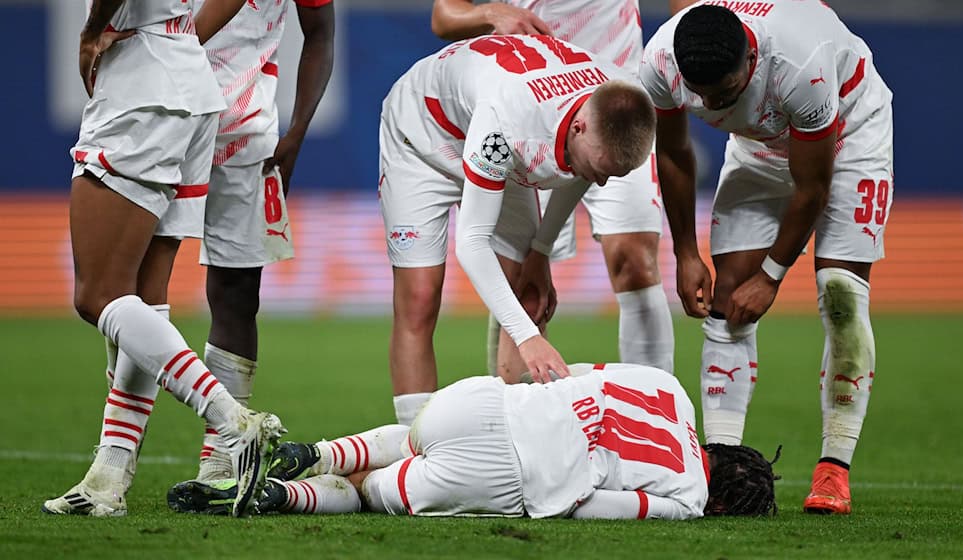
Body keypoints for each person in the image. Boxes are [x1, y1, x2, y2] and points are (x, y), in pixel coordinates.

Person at [640, 2, 893, 514]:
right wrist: (686, 253)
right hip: (759, 146)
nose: (710, 102)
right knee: (727, 296)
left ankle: (833, 469)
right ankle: (723, 465)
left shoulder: (802, 64)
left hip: (847, 136)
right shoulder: (661, 62)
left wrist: (773, 275)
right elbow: (672, 153)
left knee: (840, 293)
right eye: (701, 94)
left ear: (750, 60)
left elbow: (812, 188)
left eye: (723, 92)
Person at [43, 0, 285, 518]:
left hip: (140, 76)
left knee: (96, 297)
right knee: (142, 301)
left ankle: (232, 420)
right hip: (188, 78)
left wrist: (91, 30)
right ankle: (109, 478)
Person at [379, 35, 657, 425]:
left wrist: (540, 251)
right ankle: (411, 445)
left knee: (525, 290)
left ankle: (518, 440)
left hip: (501, 128)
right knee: (420, 297)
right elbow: (472, 243)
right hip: (423, 135)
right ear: (578, 127)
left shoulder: (612, 106)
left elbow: (578, 174)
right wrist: (529, 340)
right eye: (600, 170)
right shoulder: (508, 125)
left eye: (613, 174)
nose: (603, 183)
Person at [167, 363, 779, 518]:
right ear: (723, 498)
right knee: (369, 493)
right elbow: (591, 507)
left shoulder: (670, 386)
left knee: (409, 437)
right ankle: (280, 497)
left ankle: (314, 454)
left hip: (482, 402)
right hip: (508, 476)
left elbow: (574, 378)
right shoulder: (690, 498)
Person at [430, 0, 675, 383]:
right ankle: (515, 423)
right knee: (522, 280)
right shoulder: (512, 118)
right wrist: (488, 14)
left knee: (635, 258)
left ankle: (657, 419)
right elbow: (444, 16)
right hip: (532, 111)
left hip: (618, 111)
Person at [190, 0, 335, 483]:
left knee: (236, 295)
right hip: (161, 117)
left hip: (247, 130)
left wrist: (297, 132)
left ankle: (222, 458)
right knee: (134, 292)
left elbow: (320, 33)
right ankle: (115, 461)